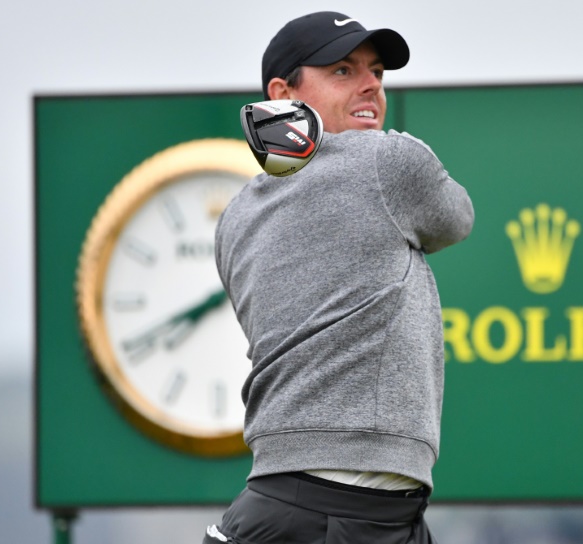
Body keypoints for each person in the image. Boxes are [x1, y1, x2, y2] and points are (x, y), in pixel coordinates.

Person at [203, 11, 474, 544]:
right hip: (339, 516)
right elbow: (456, 217)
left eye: (375, 71)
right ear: (283, 92)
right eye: (343, 71)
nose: (371, 83)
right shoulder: (389, 161)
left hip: (281, 505)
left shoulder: (234, 217)